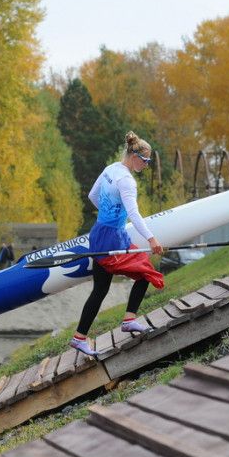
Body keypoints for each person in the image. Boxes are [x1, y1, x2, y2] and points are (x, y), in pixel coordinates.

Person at [70, 131, 165, 356]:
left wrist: (108, 213)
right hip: (112, 238)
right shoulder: (127, 181)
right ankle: (129, 319)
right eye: (146, 160)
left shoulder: (111, 169)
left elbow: (93, 195)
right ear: (134, 157)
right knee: (146, 272)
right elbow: (134, 213)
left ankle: (80, 337)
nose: (147, 165)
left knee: (100, 289)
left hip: (99, 234)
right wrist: (152, 239)